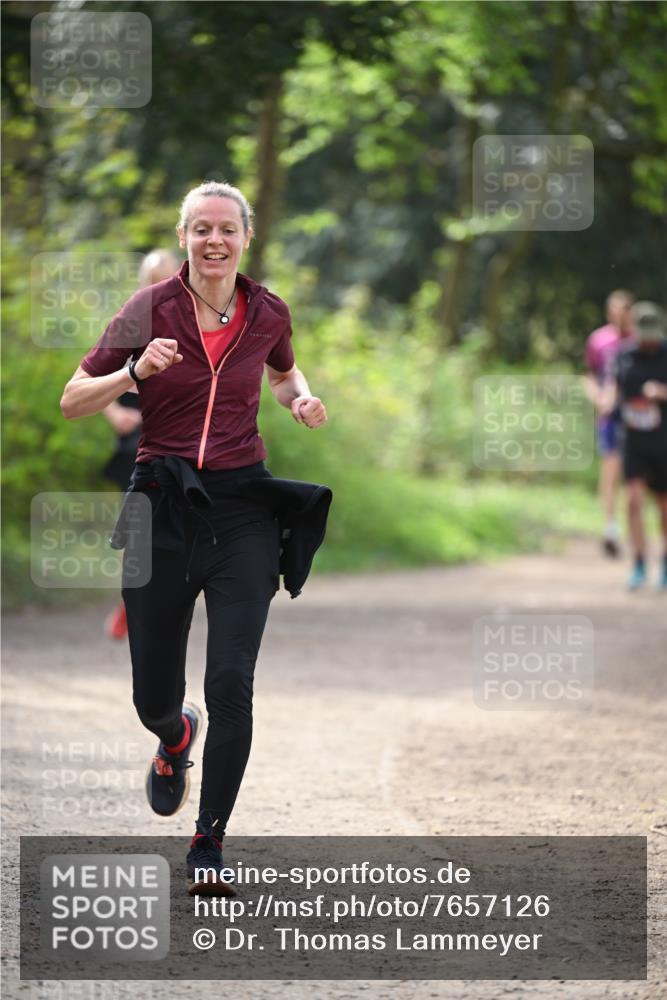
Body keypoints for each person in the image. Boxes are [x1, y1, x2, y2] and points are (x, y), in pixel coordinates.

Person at [60, 181, 331, 893]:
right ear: (184, 237)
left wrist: (298, 397)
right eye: (201, 229)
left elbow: (280, 371)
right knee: (152, 694)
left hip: (243, 504)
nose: (214, 241)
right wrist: (132, 371)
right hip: (161, 504)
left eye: (227, 230)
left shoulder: (267, 309)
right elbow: (71, 400)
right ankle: (174, 734)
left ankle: (208, 841)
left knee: (232, 681)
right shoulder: (148, 310)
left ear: (245, 238)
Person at [102, 250, 180, 639]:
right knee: (138, 526)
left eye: (164, 278)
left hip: (176, 434)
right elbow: (92, 378)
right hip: (134, 439)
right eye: (151, 278)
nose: (157, 286)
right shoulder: (127, 321)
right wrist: (113, 412)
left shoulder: (191, 319)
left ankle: (158, 603)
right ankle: (129, 602)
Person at [600, 302, 667, 591]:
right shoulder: (623, 355)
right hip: (633, 441)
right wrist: (606, 400)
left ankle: (665, 562)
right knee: (633, 501)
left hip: (663, 440)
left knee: (664, 508)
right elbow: (612, 386)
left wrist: (661, 392)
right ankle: (639, 561)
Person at [583, 290, 635, 556]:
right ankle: (610, 527)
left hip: (636, 418)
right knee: (610, 471)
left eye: (623, 312)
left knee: (635, 478)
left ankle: (634, 529)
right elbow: (589, 375)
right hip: (609, 417)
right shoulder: (598, 340)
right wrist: (598, 399)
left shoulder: (640, 340)